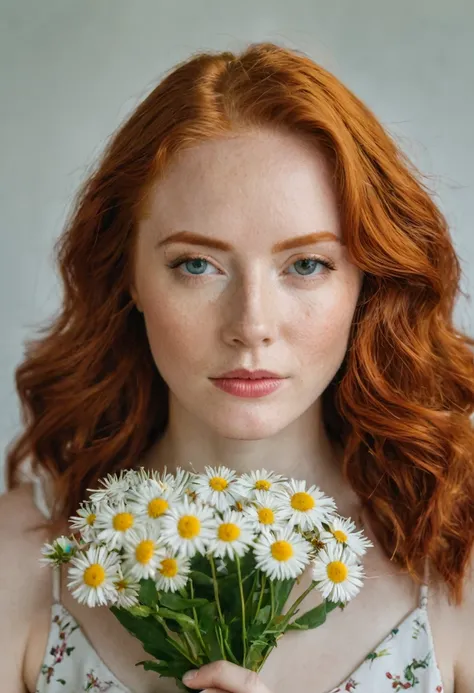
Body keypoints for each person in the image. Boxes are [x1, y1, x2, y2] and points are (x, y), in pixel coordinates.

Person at [1, 40, 473, 693]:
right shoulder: (22, 559)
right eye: (196, 264)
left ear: (367, 280)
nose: (251, 324)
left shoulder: (453, 554)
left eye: (306, 264)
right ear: (129, 275)